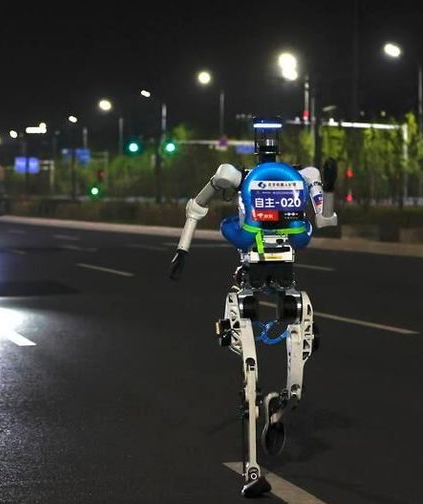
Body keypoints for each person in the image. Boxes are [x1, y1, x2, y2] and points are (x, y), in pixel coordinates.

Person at [169, 117, 337, 498]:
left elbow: (324, 220)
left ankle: (279, 405)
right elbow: (196, 208)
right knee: (250, 373)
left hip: (285, 269)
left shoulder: (299, 174)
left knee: (296, 379)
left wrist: (327, 188)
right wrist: (181, 251)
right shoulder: (239, 175)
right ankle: (252, 469)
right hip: (251, 269)